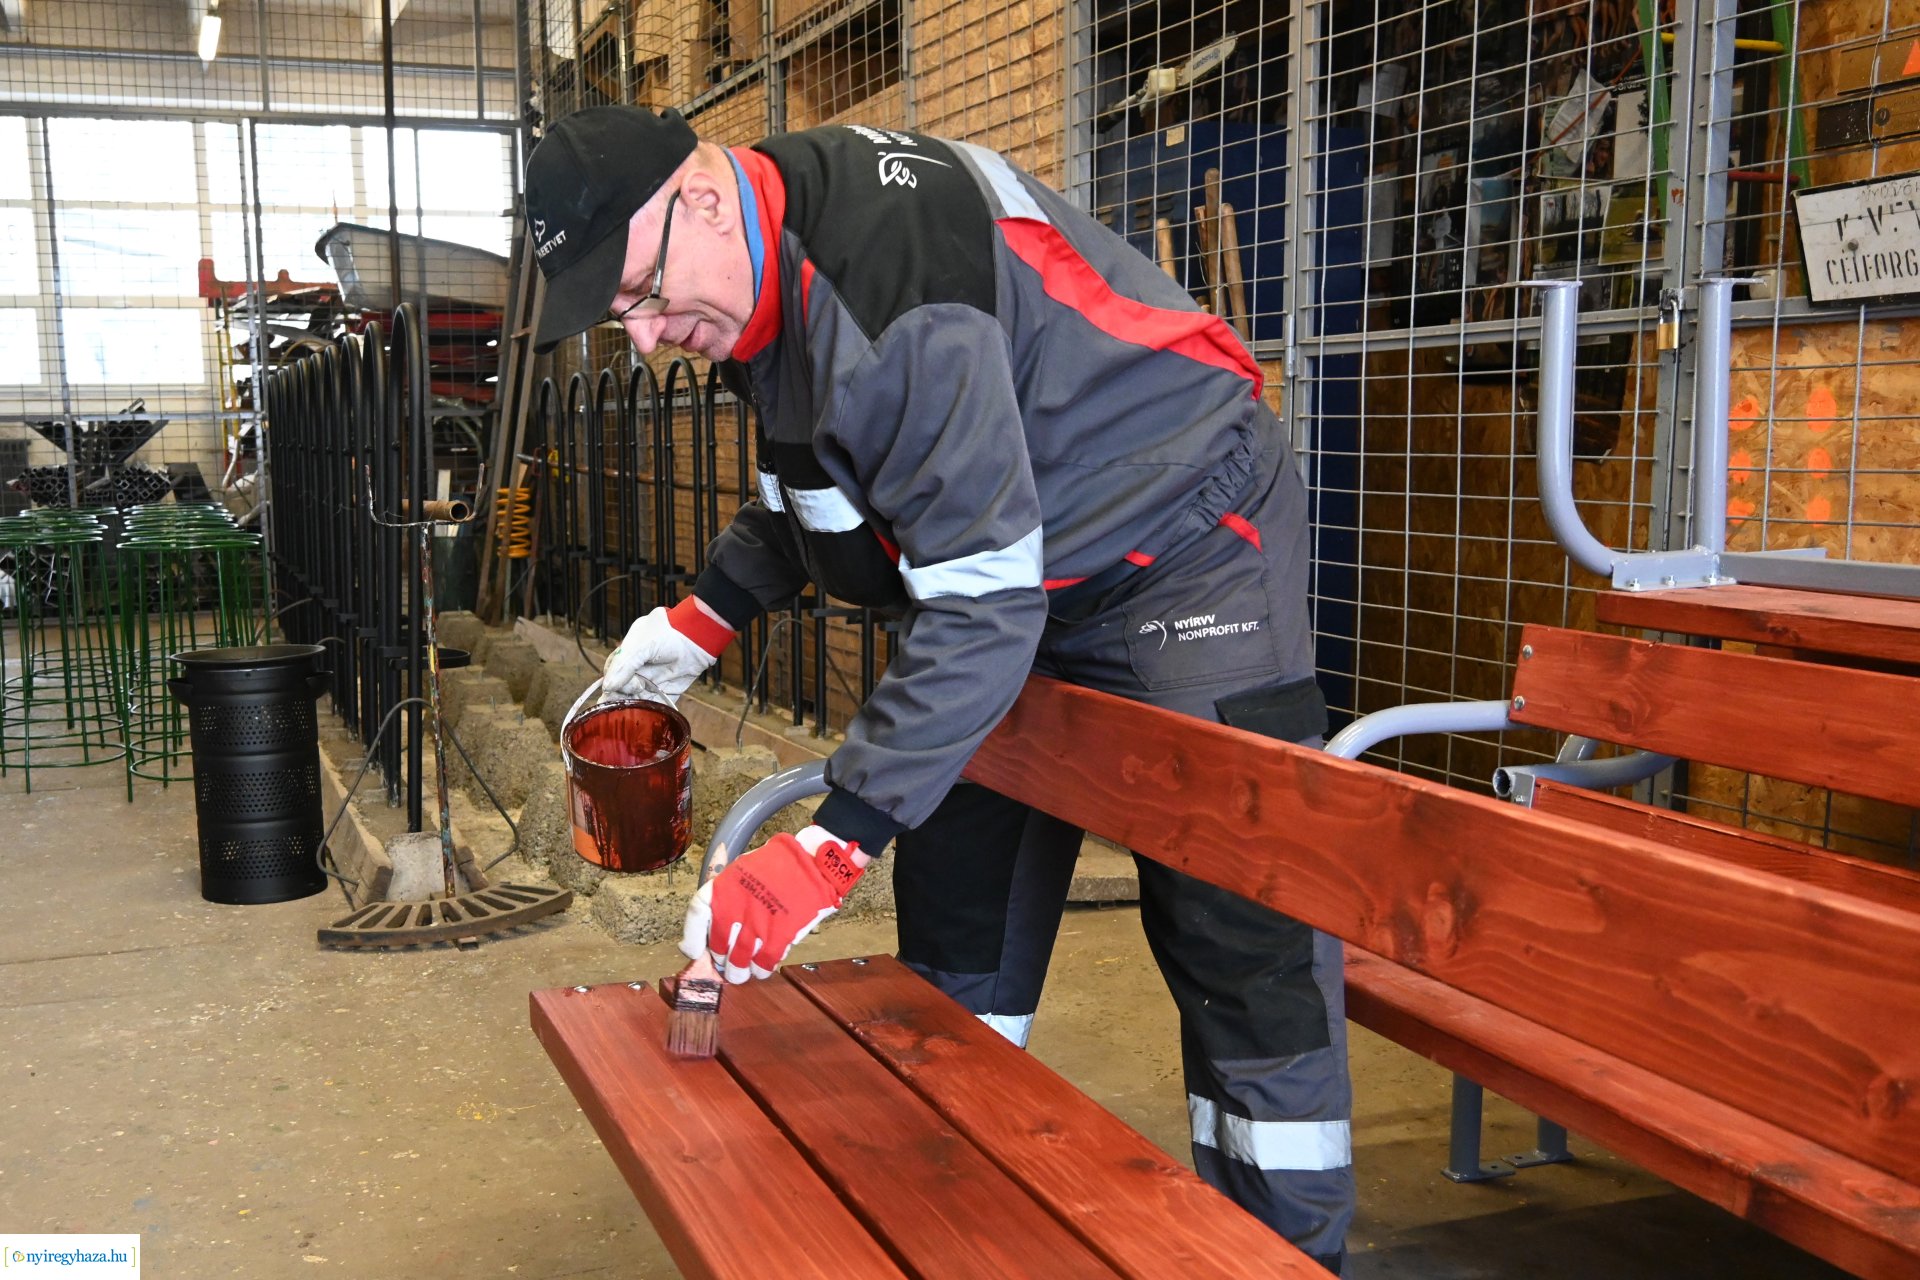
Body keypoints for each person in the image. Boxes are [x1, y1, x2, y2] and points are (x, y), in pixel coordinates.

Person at [524, 105, 1353, 1272]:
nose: (652, 336)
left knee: (1240, 926)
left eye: (643, 294)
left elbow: (977, 607)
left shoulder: (893, 286)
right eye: (625, 318)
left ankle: (1285, 1248)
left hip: (1179, 537)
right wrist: (696, 622)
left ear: (700, 200)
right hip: (1007, 567)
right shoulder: (764, 266)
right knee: (959, 898)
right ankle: (961, 1223)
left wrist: (826, 848)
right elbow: (819, 480)